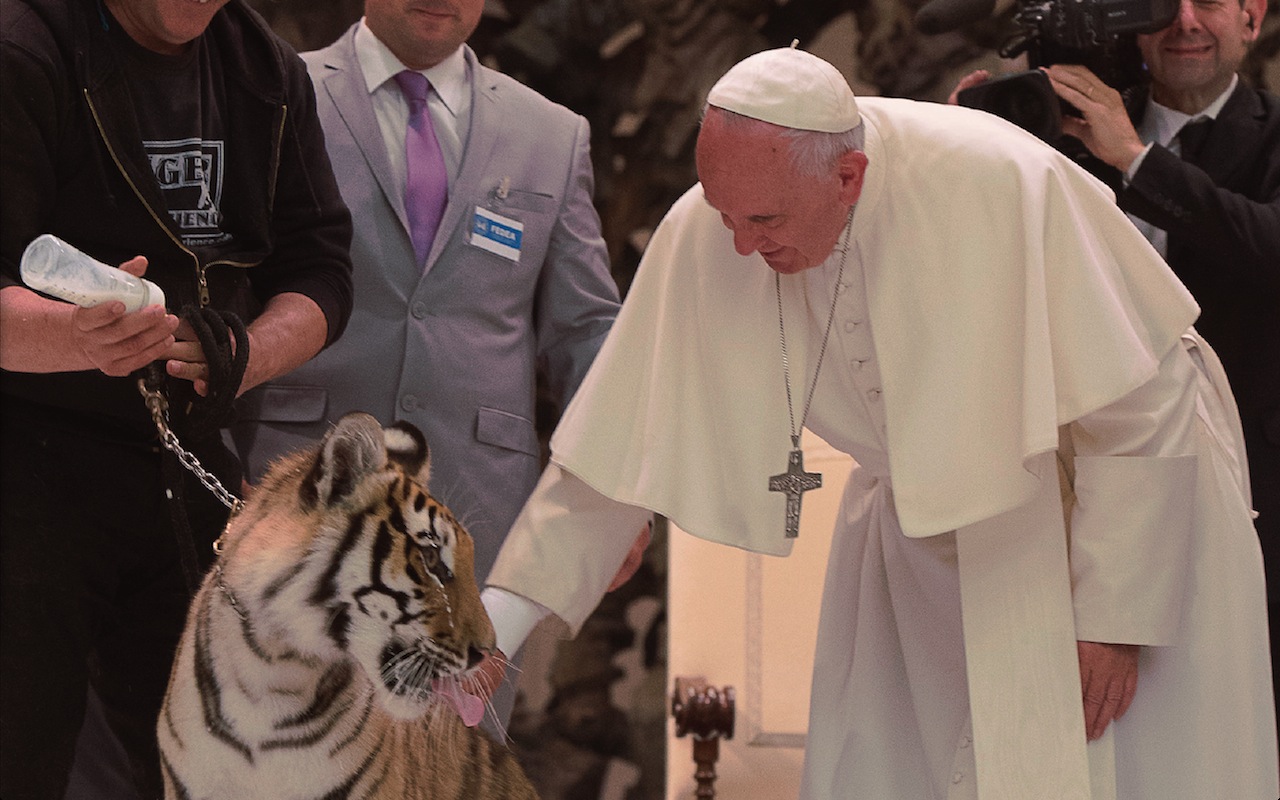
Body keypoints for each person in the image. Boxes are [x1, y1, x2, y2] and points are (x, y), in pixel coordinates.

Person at [479, 46, 1278, 798]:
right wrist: (498, 628)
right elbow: (620, 444)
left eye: (764, 221)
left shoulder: (1004, 177)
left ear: (848, 176)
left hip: (1120, 518)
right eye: (726, 216)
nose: (742, 246)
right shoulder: (723, 218)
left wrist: (1114, 622)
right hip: (922, 530)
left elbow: (1141, 407)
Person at [225, 0, 623, 725]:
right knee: (274, 742)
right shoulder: (273, 94)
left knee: (452, 760)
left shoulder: (552, 134)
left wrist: (619, 498)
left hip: (476, 514)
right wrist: (220, 458)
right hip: (298, 496)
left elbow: (587, 329)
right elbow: (222, 288)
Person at [0, 0, 354, 797]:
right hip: (30, 458)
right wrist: (78, 339)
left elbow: (322, 268)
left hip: (186, 452)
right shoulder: (24, 50)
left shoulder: (264, 68)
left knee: (225, 767)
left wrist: (249, 355)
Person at [956, 0, 1280, 739]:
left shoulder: (1265, 134)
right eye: (1165, 2)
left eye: (1211, 2)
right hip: (1094, 501)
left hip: (1257, 488)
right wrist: (969, 153)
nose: (1186, 21)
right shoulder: (1063, 126)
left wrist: (1137, 160)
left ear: (1253, 17)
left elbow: (1268, 247)